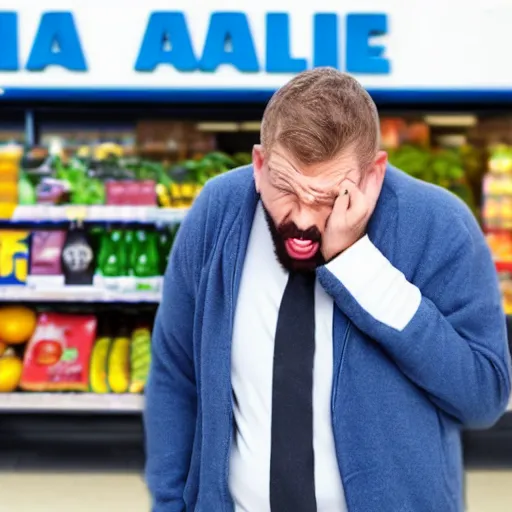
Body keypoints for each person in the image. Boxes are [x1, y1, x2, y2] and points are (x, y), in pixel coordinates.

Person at [144, 68, 512, 512]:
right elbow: (174, 376)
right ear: (260, 164)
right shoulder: (219, 212)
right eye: (285, 190)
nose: (301, 219)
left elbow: (483, 397)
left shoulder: (439, 226)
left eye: (327, 197)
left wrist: (357, 262)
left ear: (373, 175)